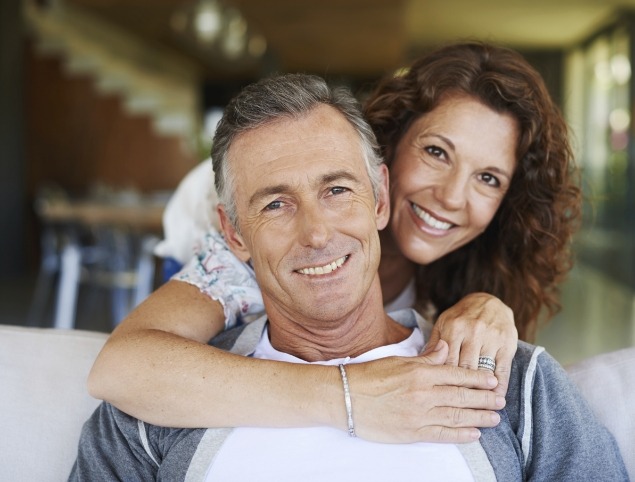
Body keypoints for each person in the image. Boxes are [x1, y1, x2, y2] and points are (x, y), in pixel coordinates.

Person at [70, 73, 626, 481]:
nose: (452, 196)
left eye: (338, 190)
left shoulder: (513, 378)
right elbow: (122, 364)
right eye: (436, 152)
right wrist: (349, 395)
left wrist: (487, 304)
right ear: (233, 233)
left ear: (376, 196)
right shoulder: (164, 401)